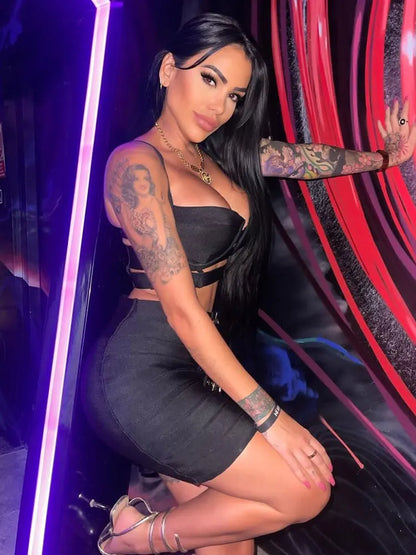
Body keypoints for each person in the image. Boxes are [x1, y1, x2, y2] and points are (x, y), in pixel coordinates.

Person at [81, 12, 416, 555]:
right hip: (140, 376)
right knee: (303, 489)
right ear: (168, 70)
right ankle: (136, 539)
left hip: (195, 368)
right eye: (209, 79)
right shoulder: (136, 164)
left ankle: (142, 533)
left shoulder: (219, 157)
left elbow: (307, 160)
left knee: (233, 545)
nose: (219, 106)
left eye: (234, 95)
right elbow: (182, 311)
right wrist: (271, 419)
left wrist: (384, 159)